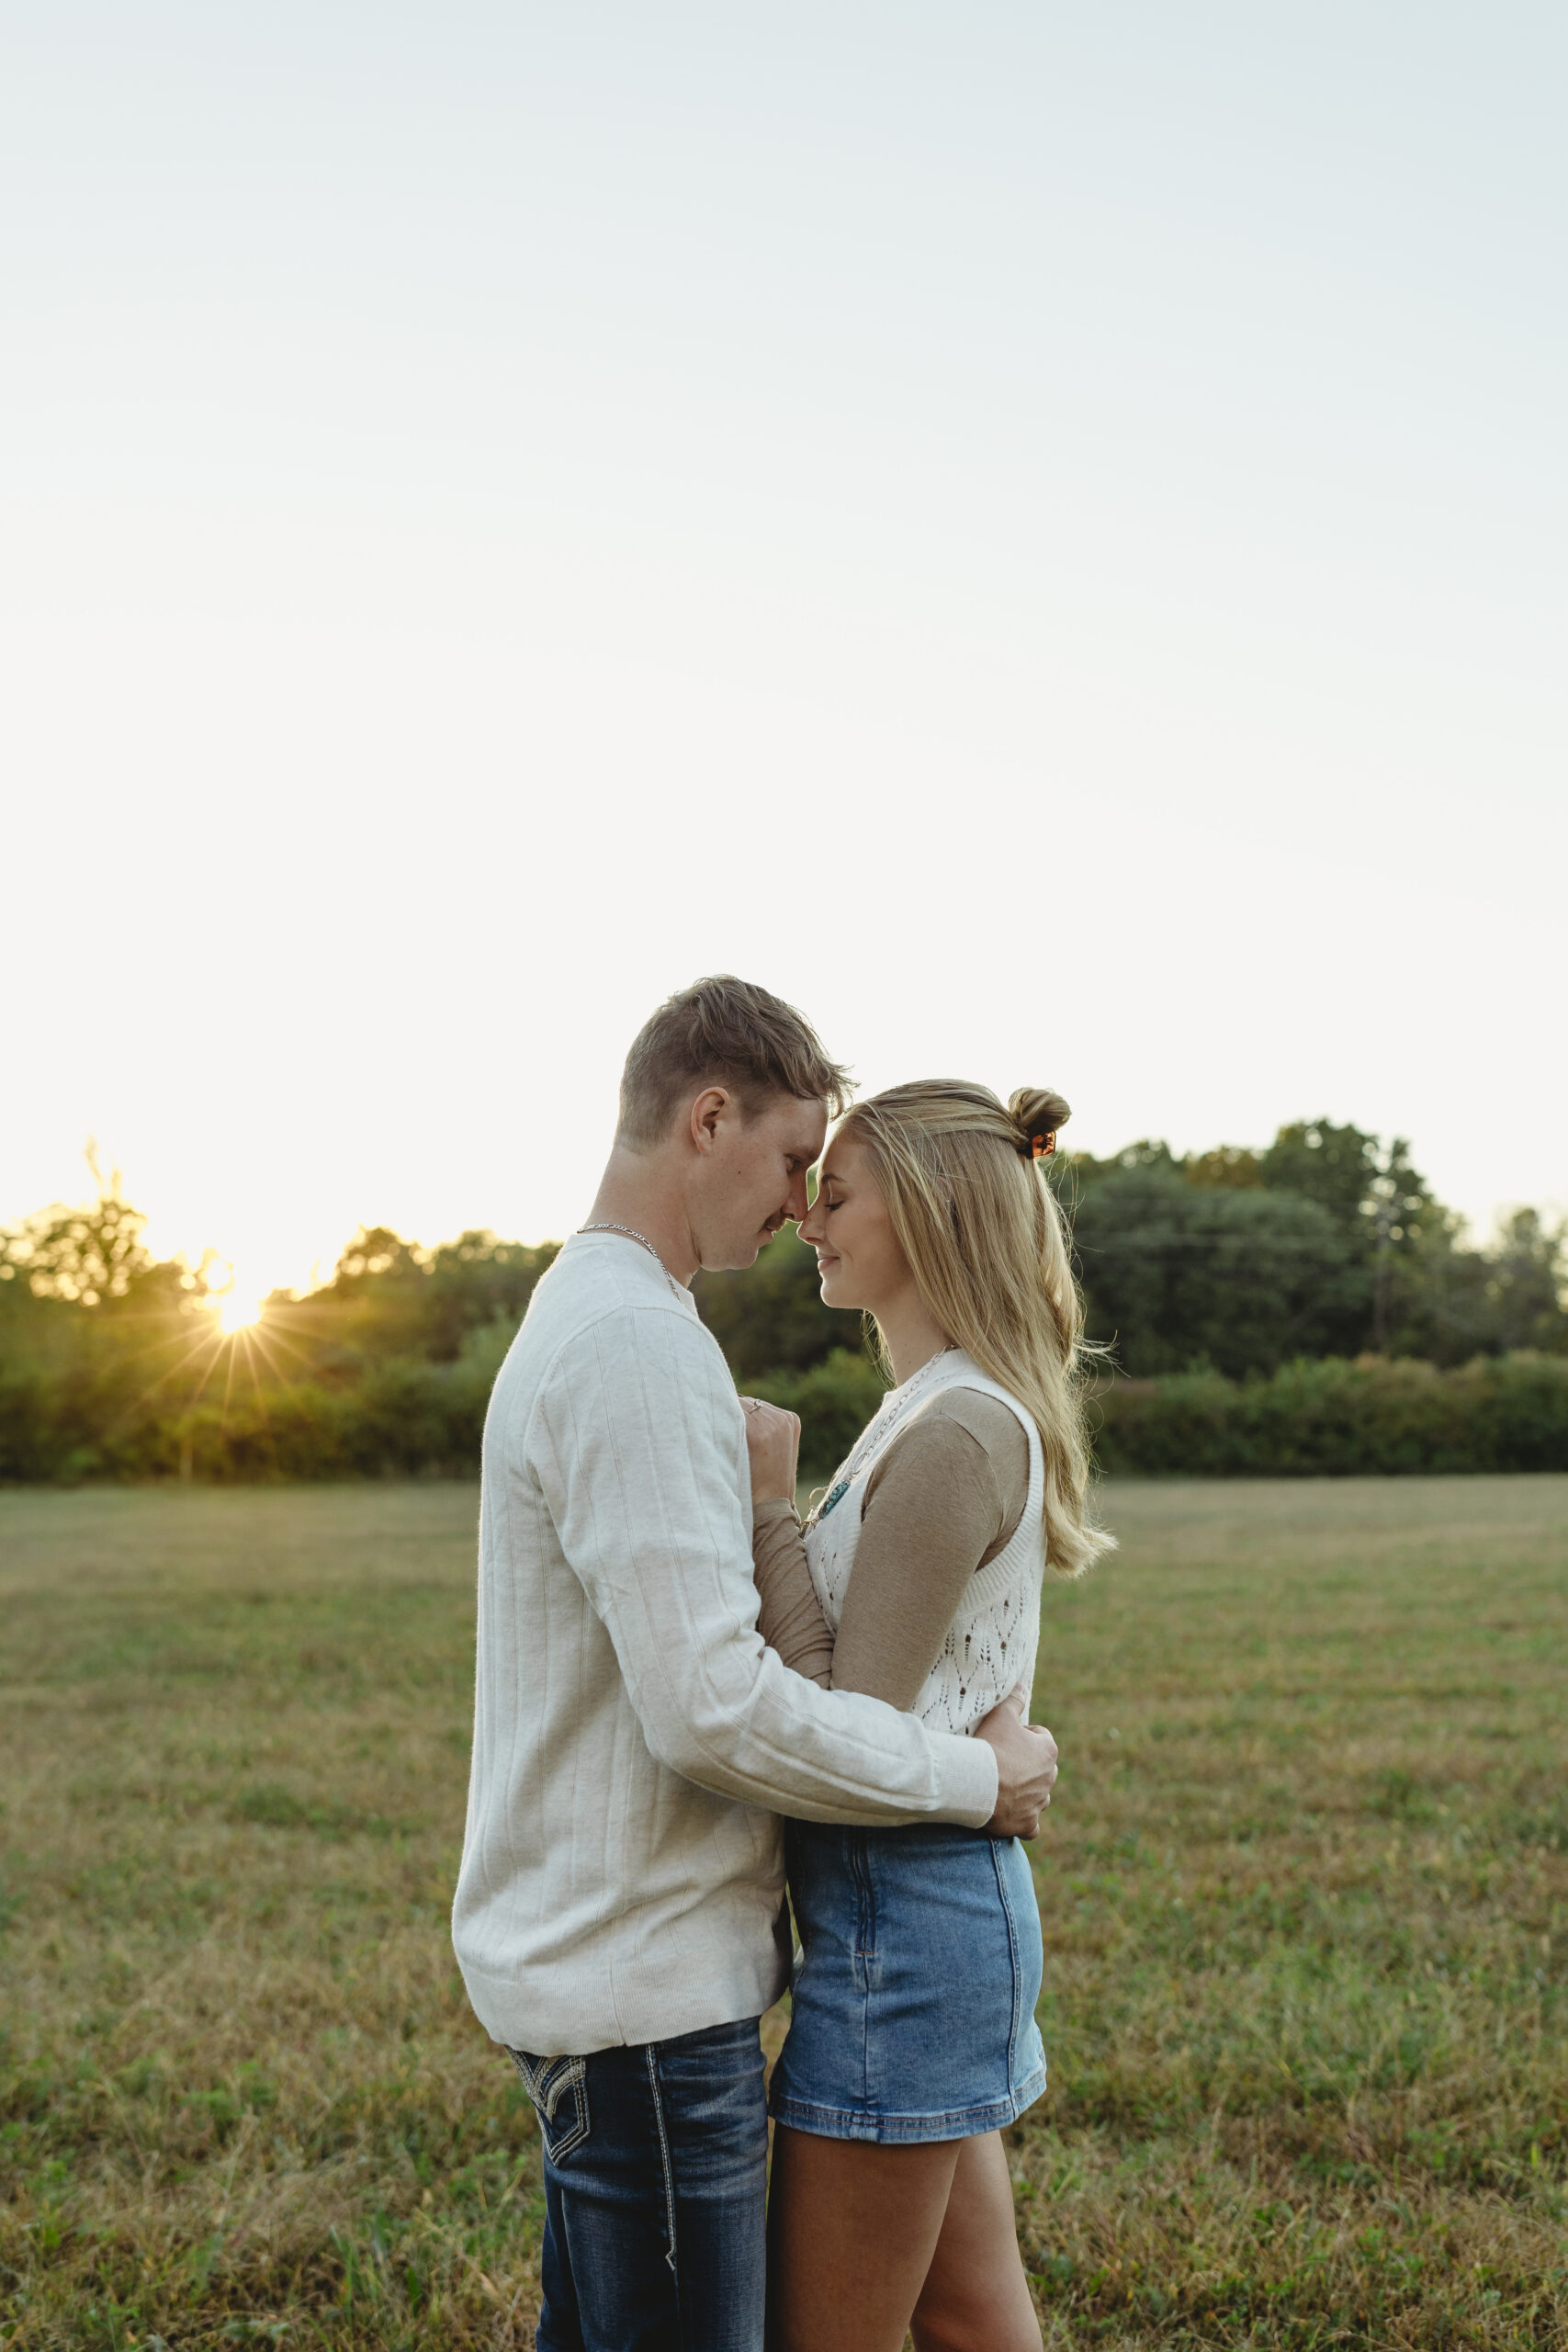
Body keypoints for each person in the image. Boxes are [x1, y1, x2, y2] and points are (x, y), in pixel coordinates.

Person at [450, 980, 1060, 2352]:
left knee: (958, 2314)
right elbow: (717, 1710)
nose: (798, 1209)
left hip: (705, 1964)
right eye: (798, 1164)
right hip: (647, 1984)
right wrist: (979, 1774)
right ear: (708, 1117)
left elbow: (744, 1695)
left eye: (828, 1184)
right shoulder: (632, 1341)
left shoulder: (615, 1322)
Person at [740, 1079, 1113, 2352]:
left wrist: (765, 1505)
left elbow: (845, 1722)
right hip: (919, 1915)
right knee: (970, 2321)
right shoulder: (933, 1408)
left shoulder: (956, 1431)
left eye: (835, 1196)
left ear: (932, 1214)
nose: (806, 1219)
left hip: (902, 1934)